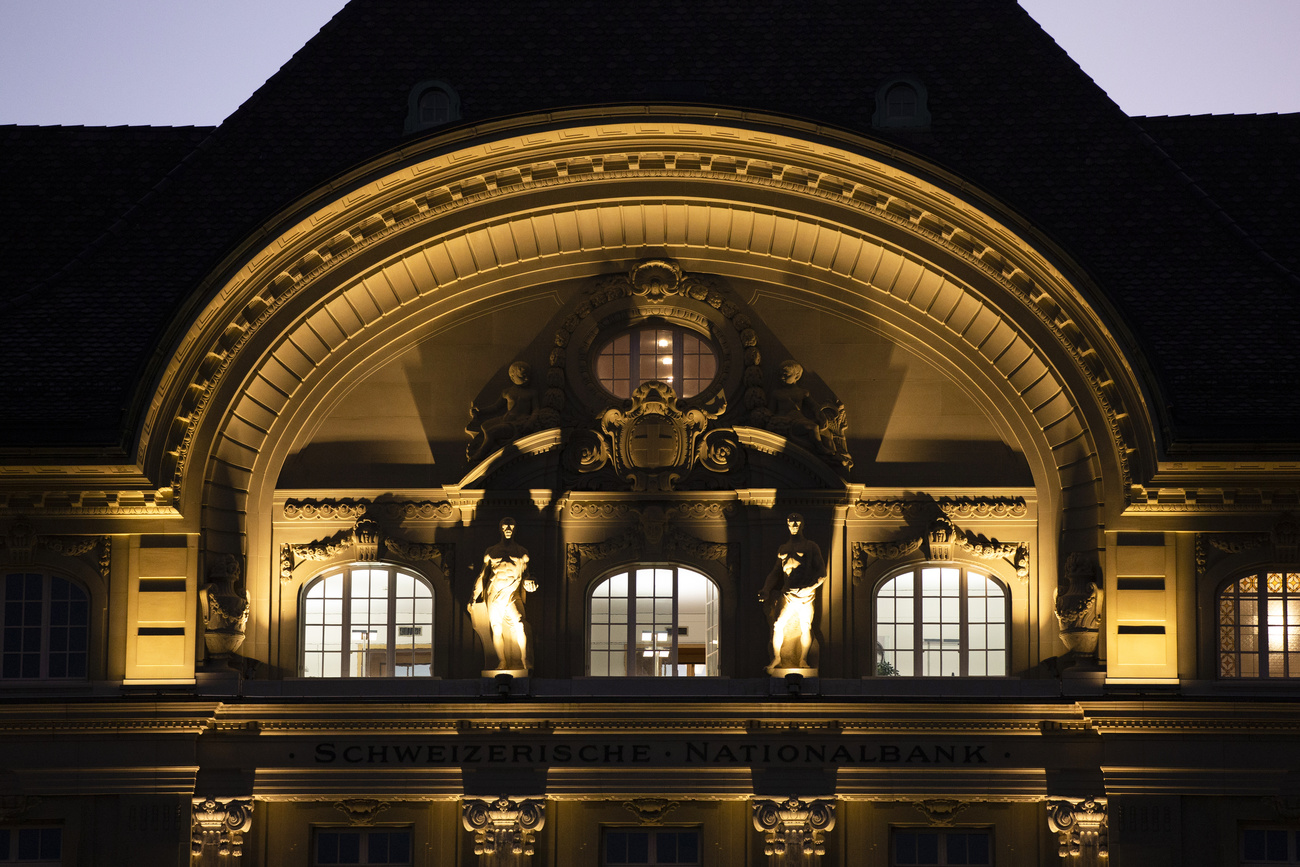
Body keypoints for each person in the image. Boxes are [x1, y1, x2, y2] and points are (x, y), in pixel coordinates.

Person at [757, 512, 826, 671]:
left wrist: (807, 589)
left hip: (805, 596)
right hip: (787, 593)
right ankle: (777, 658)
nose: (794, 525)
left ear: (803, 524)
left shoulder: (810, 546)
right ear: (787, 525)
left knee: (805, 627)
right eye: (791, 523)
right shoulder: (783, 549)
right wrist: (766, 589)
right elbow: (775, 572)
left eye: (797, 522)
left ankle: (802, 659)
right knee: (777, 625)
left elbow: (822, 574)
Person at [469, 518, 537, 670]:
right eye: (505, 526)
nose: (508, 528)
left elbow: (527, 575)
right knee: (496, 628)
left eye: (511, 525)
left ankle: (525, 660)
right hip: (494, 594)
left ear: (515, 529)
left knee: (520, 624)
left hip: (512, 593)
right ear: (500, 529)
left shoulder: (521, 552)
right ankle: (502, 661)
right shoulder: (491, 552)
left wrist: (532, 581)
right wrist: (473, 597)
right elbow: (482, 576)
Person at [466, 361, 541, 463]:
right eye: (523, 376)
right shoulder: (507, 392)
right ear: (512, 376)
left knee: (491, 432)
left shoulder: (531, 393)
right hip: (506, 419)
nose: (527, 378)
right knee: (485, 426)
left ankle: (480, 454)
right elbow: (496, 407)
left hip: (519, 421)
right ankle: (492, 447)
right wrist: (480, 411)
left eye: (528, 375)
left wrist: (530, 422)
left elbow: (536, 409)